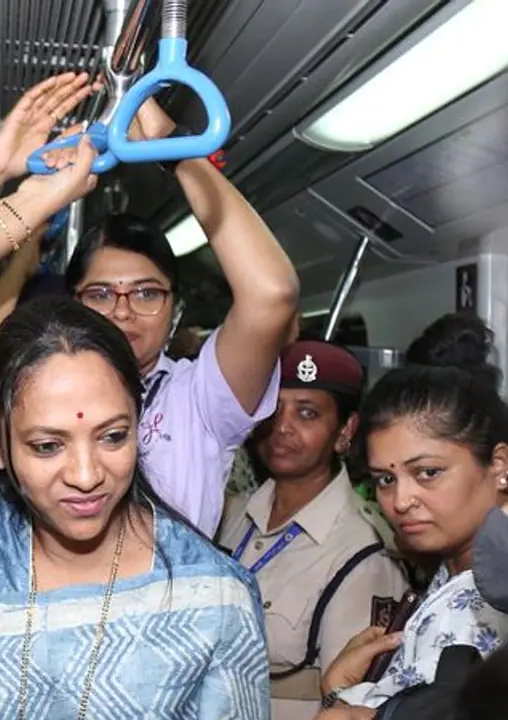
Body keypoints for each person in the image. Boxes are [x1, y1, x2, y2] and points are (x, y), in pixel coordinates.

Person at [0, 89, 268, 718]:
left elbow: (271, 295)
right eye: (47, 445)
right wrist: (33, 196)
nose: (85, 475)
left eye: (113, 436)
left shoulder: (211, 593)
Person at [63, 104, 299, 537]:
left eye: (146, 293)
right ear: (72, 305)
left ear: (175, 309)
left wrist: (175, 150)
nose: (122, 311)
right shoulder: (44, 396)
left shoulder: (198, 399)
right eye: (100, 294)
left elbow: (272, 294)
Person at [321, 314, 508, 711]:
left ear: (500, 466)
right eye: (385, 479)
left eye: (428, 473)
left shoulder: (488, 598)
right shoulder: (454, 571)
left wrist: (338, 694)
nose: (401, 500)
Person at [219, 341, 410, 718]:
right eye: (273, 409)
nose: (282, 427)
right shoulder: (229, 516)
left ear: (345, 431)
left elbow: (354, 702)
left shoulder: (364, 553)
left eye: (306, 413)